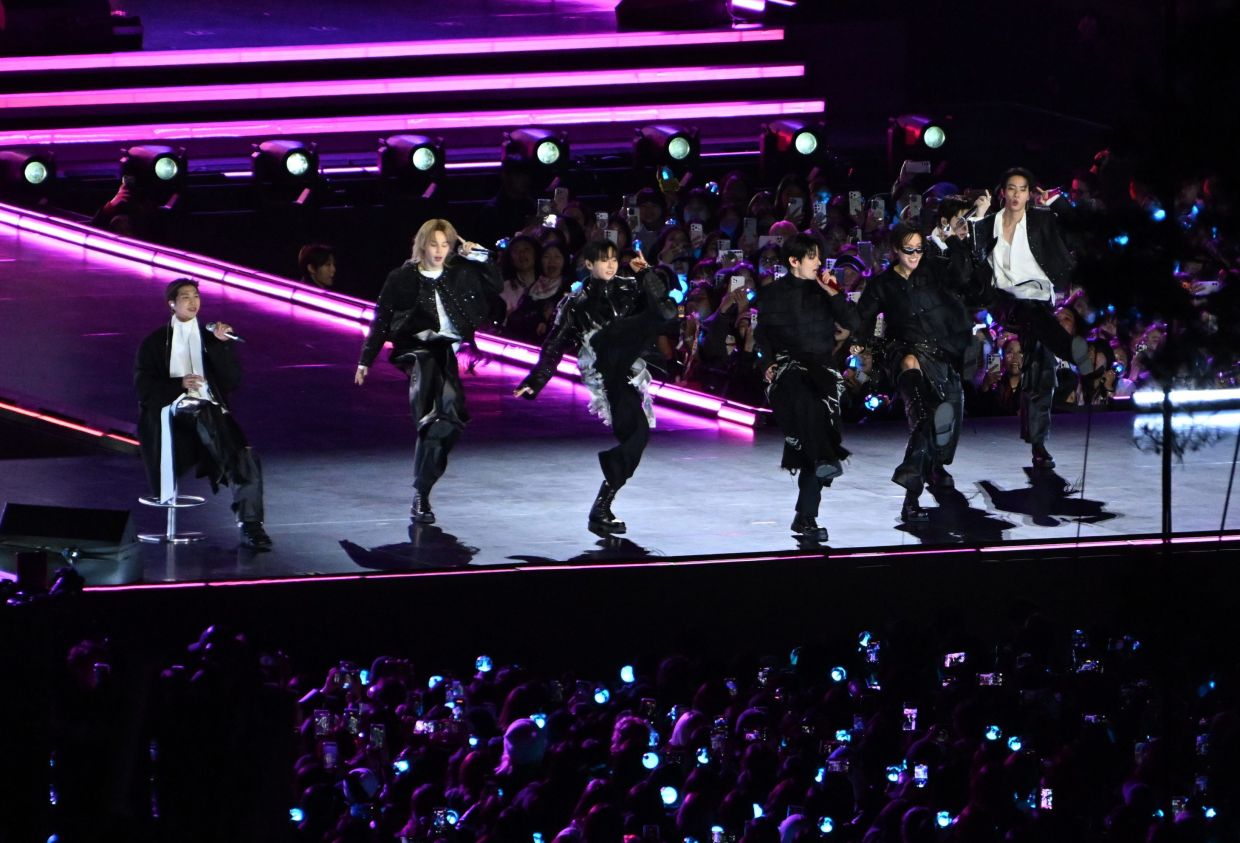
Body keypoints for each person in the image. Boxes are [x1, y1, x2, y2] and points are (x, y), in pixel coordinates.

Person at [513, 239, 674, 536]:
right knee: (636, 431)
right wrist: (537, 379)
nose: (611, 264)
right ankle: (602, 506)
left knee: (638, 435)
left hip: (627, 364)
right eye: (603, 260)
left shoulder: (629, 285)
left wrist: (646, 273)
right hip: (604, 364)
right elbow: (554, 345)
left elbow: (664, 309)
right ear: (589, 264)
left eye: (614, 259)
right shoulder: (575, 303)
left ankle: (601, 506)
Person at [355, 219, 501, 523]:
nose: (438, 250)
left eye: (445, 244)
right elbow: (382, 319)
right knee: (437, 406)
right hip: (417, 347)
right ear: (422, 244)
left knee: (448, 423)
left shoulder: (460, 271)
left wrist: (479, 254)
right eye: (433, 244)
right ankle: (421, 491)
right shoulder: (402, 278)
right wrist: (365, 359)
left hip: (450, 349)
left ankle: (422, 490)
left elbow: (495, 285)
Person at [967, 167, 1094, 468]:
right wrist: (977, 217)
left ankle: (1038, 444)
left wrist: (1056, 202)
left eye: (1022, 189)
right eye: (1011, 188)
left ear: (1029, 193)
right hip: (1005, 302)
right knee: (1032, 317)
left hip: (1039, 304)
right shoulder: (989, 223)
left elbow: (1080, 230)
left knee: (1040, 365)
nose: (1016, 194)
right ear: (1003, 192)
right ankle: (1070, 349)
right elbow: (974, 262)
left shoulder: (1041, 220)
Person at [134, 279, 270, 549]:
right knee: (216, 426)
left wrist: (222, 345)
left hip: (211, 417)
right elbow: (144, 388)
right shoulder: (155, 342)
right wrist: (179, 384)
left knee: (246, 455)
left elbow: (232, 381)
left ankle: (251, 525)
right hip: (171, 412)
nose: (193, 301)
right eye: (185, 297)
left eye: (196, 296)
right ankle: (228, 457)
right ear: (172, 304)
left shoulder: (209, 339)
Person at [856, 224, 974, 522]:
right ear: (896, 249)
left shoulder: (931, 272)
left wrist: (954, 242)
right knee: (924, 417)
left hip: (940, 353)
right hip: (904, 353)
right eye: (909, 249)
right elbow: (861, 322)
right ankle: (910, 498)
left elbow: (962, 279)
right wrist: (867, 352)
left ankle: (933, 466)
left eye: (920, 249)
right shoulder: (882, 284)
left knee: (946, 422)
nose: (915, 255)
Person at [754, 233, 860, 542]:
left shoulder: (825, 290)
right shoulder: (773, 294)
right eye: (812, 257)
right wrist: (767, 364)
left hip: (823, 371)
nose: (818, 262)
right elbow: (763, 336)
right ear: (794, 261)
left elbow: (852, 321)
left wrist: (834, 293)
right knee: (814, 426)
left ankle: (806, 516)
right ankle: (823, 465)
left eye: (819, 256)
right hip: (789, 371)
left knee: (818, 442)